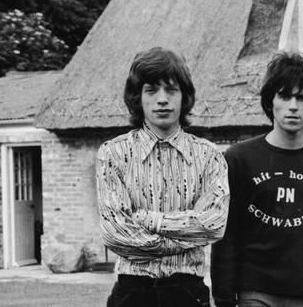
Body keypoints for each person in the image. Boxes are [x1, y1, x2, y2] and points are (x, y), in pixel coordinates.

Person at [211, 52, 303, 307]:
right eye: (284, 96)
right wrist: (223, 297)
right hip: (256, 292)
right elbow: (227, 234)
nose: (293, 106)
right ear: (270, 102)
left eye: (302, 98)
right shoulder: (239, 159)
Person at [96, 47, 230, 307]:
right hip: (132, 292)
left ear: (184, 96)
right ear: (138, 97)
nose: (162, 99)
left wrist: (148, 219)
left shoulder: (209, 155)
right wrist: (184, 239)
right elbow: (115, 234)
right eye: (151, 90)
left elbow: (214, 224)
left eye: (171, 90)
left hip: (187, 292)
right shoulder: (112, 153)